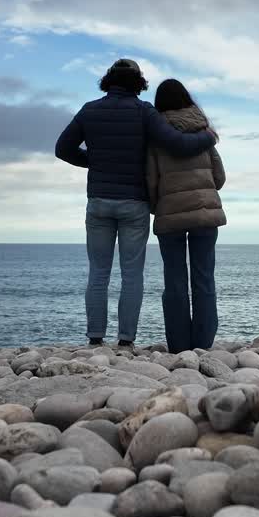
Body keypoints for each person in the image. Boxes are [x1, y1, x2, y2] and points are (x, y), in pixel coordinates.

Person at [55, 59, 218, 348]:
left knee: (98, 272)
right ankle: (126, 341)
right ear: (138, 83)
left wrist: (95, 161)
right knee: (132, 274)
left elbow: (63, 149)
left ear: (109, 80)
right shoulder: (144, 112)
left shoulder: (89, 110)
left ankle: (95, 338)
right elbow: (178, 144)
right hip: (133, 202)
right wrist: (207, 137)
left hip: (99, 202)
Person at [147, 79, 226, 353]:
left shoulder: (156, 134)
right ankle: (202, 346)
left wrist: (160, 206)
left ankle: (179, 347)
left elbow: (151, 180)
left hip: (170, 217)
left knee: (175, 281)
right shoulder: (203, 131)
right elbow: (219, 176)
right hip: (206, 215)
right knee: (204, 279)